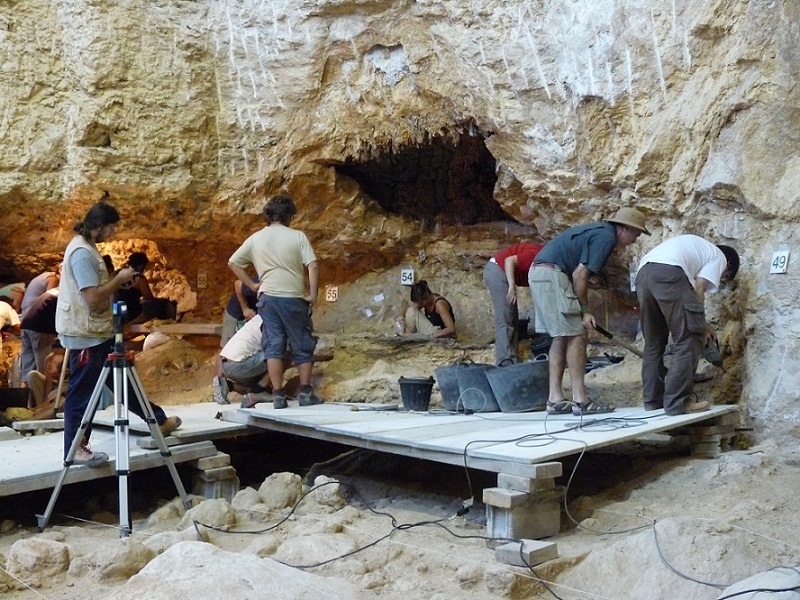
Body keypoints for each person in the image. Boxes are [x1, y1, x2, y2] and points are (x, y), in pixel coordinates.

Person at [56, 201, 181, 467]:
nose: (113, 233)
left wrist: (117, 280)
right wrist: (117, 280)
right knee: (82, 393)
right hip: (87, 334)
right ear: (98, 226)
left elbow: (97, 287)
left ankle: (157, 420)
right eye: (111, 227)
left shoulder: (88, 249)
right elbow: (91, 297)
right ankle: (75, 447)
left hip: (97, 331)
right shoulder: (80, 253)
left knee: (123, 381)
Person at [528, 207, 649, 416]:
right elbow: (579, 275)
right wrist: (584, 311)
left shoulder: (597, 231)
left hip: (540, 273)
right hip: (553, 275)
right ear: (624, 228)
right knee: (577, 334)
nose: (635, 240)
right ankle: (581, 401)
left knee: (560, 336)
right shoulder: (605, 237)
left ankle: (555, 399)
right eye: (635, 234)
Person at [228, 194, 322, 410]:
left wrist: (251, 286)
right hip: (293, 298)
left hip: (268, 300)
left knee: (273, 346)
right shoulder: (298, 237)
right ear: (289, 215)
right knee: (302, 343)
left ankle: (278, 395)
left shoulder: (255, 238)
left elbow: (233, 262)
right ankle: (306, 393)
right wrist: (314, 295)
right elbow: (313, 266)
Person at [635, 235, 739, 415]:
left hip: (643, 275)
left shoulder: (696, 251)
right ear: (727, 266)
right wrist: (701, 326)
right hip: (668, 272)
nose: (720, 280)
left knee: (654, 342)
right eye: (724, 278)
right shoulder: (719, 257)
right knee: (690, 339)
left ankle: (653, 400)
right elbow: (700, 287)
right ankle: (678, 403)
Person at [484, 242, 544, 365]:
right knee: (505, 317)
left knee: (512, 318)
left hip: (500, 271)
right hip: (497, 270)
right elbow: (509, 261)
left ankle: (512, 357)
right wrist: (512, 286)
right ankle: (505, 361)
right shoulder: (537, 255)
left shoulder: (544, 259)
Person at [215, 314, 273, 407]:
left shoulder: (258, 319)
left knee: (266, 391)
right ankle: (260, 389)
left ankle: (229, 385)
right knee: (283, 353)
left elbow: (221, 355)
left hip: (226, 366)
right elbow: (274, 353)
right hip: (240, 364)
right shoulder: (271, 320)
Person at [20, 288, 59, 381]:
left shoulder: (53, 291)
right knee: (44, 365)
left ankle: (27, 391)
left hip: (26, 325)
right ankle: (41, 392)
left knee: (28, 363)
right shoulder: (64, 295)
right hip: (41, 328)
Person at [114, 252, 155, 324]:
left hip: (115, 311)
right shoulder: (139, 278)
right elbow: (149, 298)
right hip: (130, 314)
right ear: (141, 266)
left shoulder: (117, 273)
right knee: (156, 308)